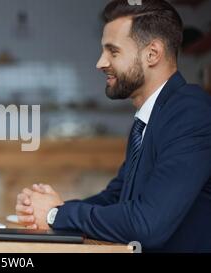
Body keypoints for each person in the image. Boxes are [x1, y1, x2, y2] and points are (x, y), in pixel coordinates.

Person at [16, 0, 211, 252]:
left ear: (152, 53)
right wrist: (48, 209)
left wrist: (56, 214)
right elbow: (115, 198)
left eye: (113, 51)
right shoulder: (150, 119)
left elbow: (146, 225)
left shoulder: (191, 113)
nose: (100, 62)